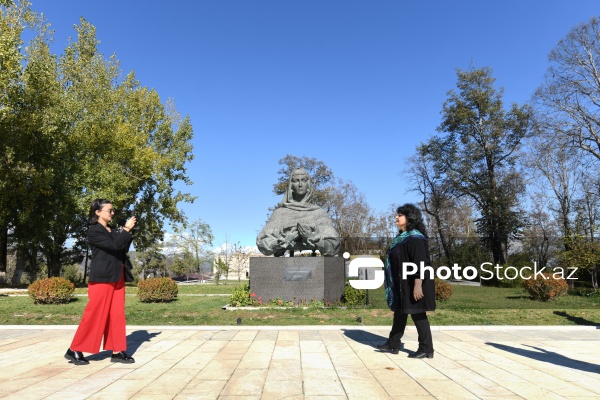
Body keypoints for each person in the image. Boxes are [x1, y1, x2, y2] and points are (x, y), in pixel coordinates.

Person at [64, 199, 137, 365]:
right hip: (102, 278)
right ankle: (75, 348)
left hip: (118, 276)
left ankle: (117, 351)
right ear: (97, 212)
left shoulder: (111, 230)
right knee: (95, 314)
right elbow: (113, 246)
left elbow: (121, 248)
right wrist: (125, 229)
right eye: (109, 211)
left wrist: (129, 233)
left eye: (113, 210)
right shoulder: (93, 231)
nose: (112, 213)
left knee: (117, 315)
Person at [377, 203, 436, 358]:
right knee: (400, 313)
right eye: (397, 214)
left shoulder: (415, 238)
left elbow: (420, 263)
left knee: (418, 314)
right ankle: (393, 343)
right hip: (401, 284)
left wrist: (418, 285)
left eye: (400, 215)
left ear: (409, 218)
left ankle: (426, 348)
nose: (396, 217)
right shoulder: (401, 238)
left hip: (413, 283)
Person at [256, 168, 340, 256]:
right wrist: (283, 241)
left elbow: (333, 246)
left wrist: (313, 238)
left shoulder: (318, 213)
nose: (300, 184)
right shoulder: (279, 213)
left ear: (308, 185)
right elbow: (262, 242)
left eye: (304, 180)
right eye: (296, 181)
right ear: (291, 185)